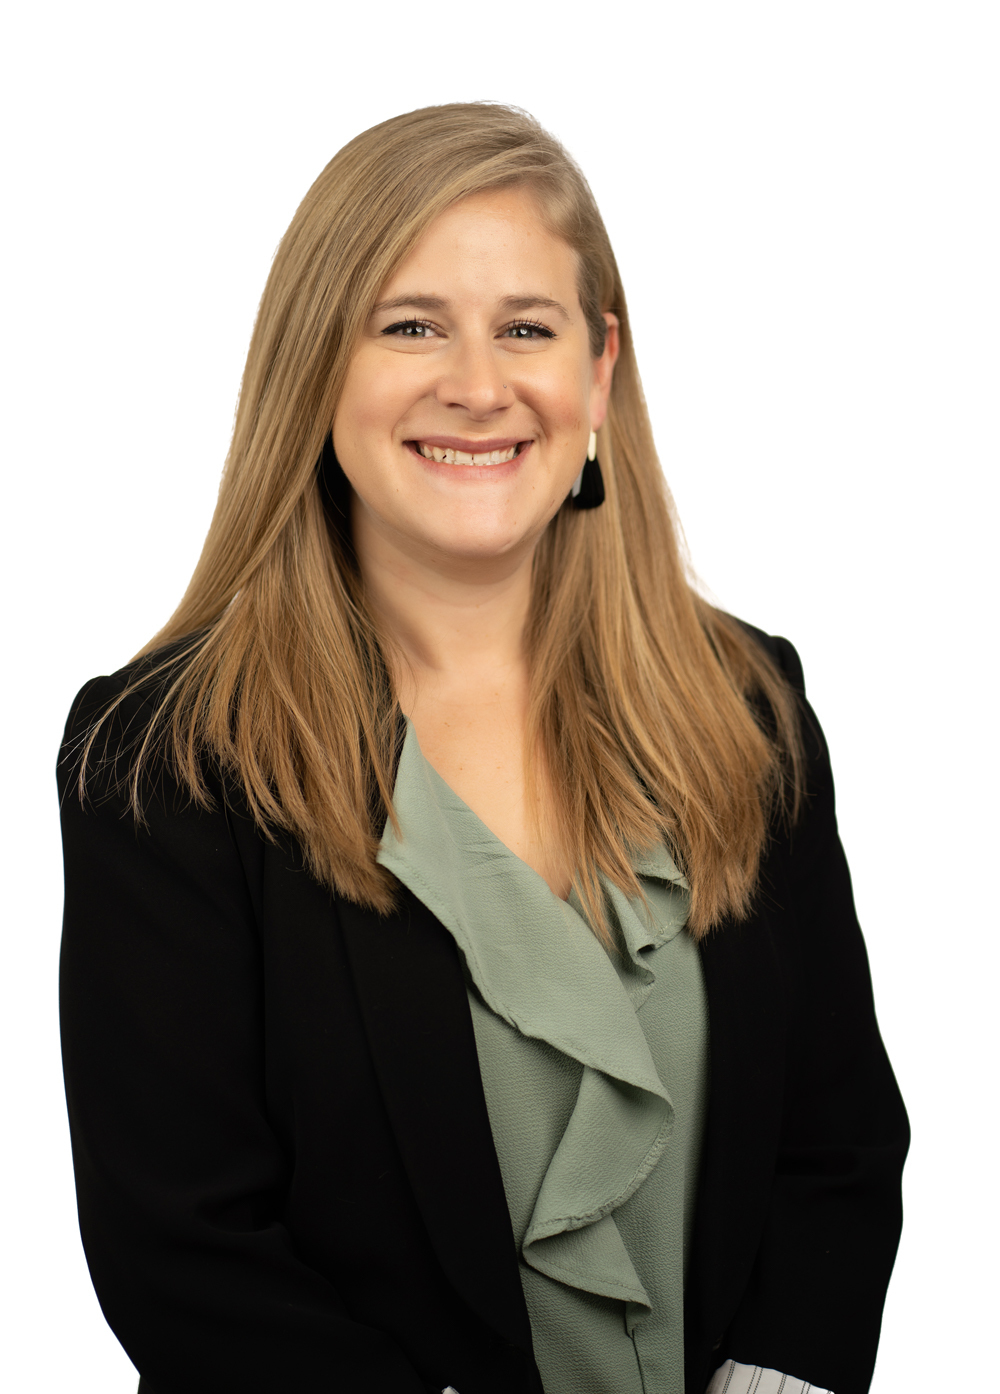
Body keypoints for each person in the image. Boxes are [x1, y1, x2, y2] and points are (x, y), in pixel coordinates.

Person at [58, 103, 908, 1394]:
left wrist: (785, 1371)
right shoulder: (166, 755)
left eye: (526, 326)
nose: (477, 381)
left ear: (598, 371)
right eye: (410, 325)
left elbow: (838, 1144)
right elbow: (181, 1250)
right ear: (314, 367)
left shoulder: (747, 703)